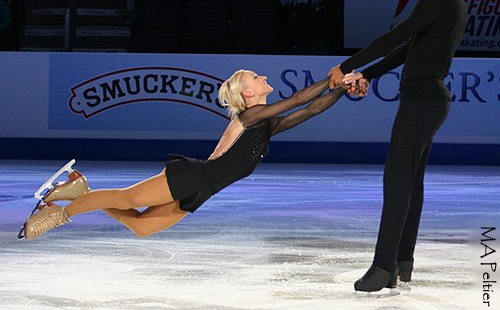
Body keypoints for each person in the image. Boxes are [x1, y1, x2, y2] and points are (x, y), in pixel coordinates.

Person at [21, 69, 363, 240]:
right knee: (127, 199)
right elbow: (298, 99)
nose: (262, 77)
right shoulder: (249, 116)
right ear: (247, 92)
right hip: (192, 177)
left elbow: (310, 109)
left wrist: (342, 88)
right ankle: (53, 215)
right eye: (256, 77)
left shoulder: (266, 125)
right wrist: (333, 76)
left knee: (141, 228)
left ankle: (83, 192)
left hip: (203, 190)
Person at [328, 0, 476, 292]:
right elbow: (406, 50)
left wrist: (346, 66)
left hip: (422, 102)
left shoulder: (436, 2)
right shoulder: (454, 6)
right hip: (429, 102)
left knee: (398, 182)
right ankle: (401, 262)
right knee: (410, 182)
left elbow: (394, 36)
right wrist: (368, 74)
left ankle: (382, 268)